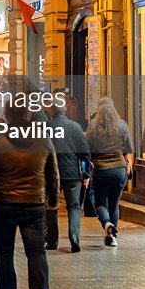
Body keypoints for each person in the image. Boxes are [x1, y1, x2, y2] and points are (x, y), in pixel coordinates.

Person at [0, 104, 59, 289]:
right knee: (36, 252)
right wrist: (52, 199)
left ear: (6, 115)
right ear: (28, 114)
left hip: (4, 204)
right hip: (33, 204)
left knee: (4, 254)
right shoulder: (43, 138)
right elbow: (52, 171)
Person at [85, 98, 132, 247]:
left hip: (101, 169)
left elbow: (88, 150)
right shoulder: (122, 125)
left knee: (99, 202)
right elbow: (128, 148)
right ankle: (112, 236)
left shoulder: (93, 126)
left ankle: (107, 224)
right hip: (119, 169)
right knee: (114, 203)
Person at [46, 101, 90, 253]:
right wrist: (85, 173)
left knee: (51, 206)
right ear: (64, 110)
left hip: (51, 174)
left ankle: (52, 240)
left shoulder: (46, 128)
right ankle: (74, 237)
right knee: (74, 206)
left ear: (51, 110)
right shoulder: (76, 127)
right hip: (72, 174)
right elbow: (84, 154)